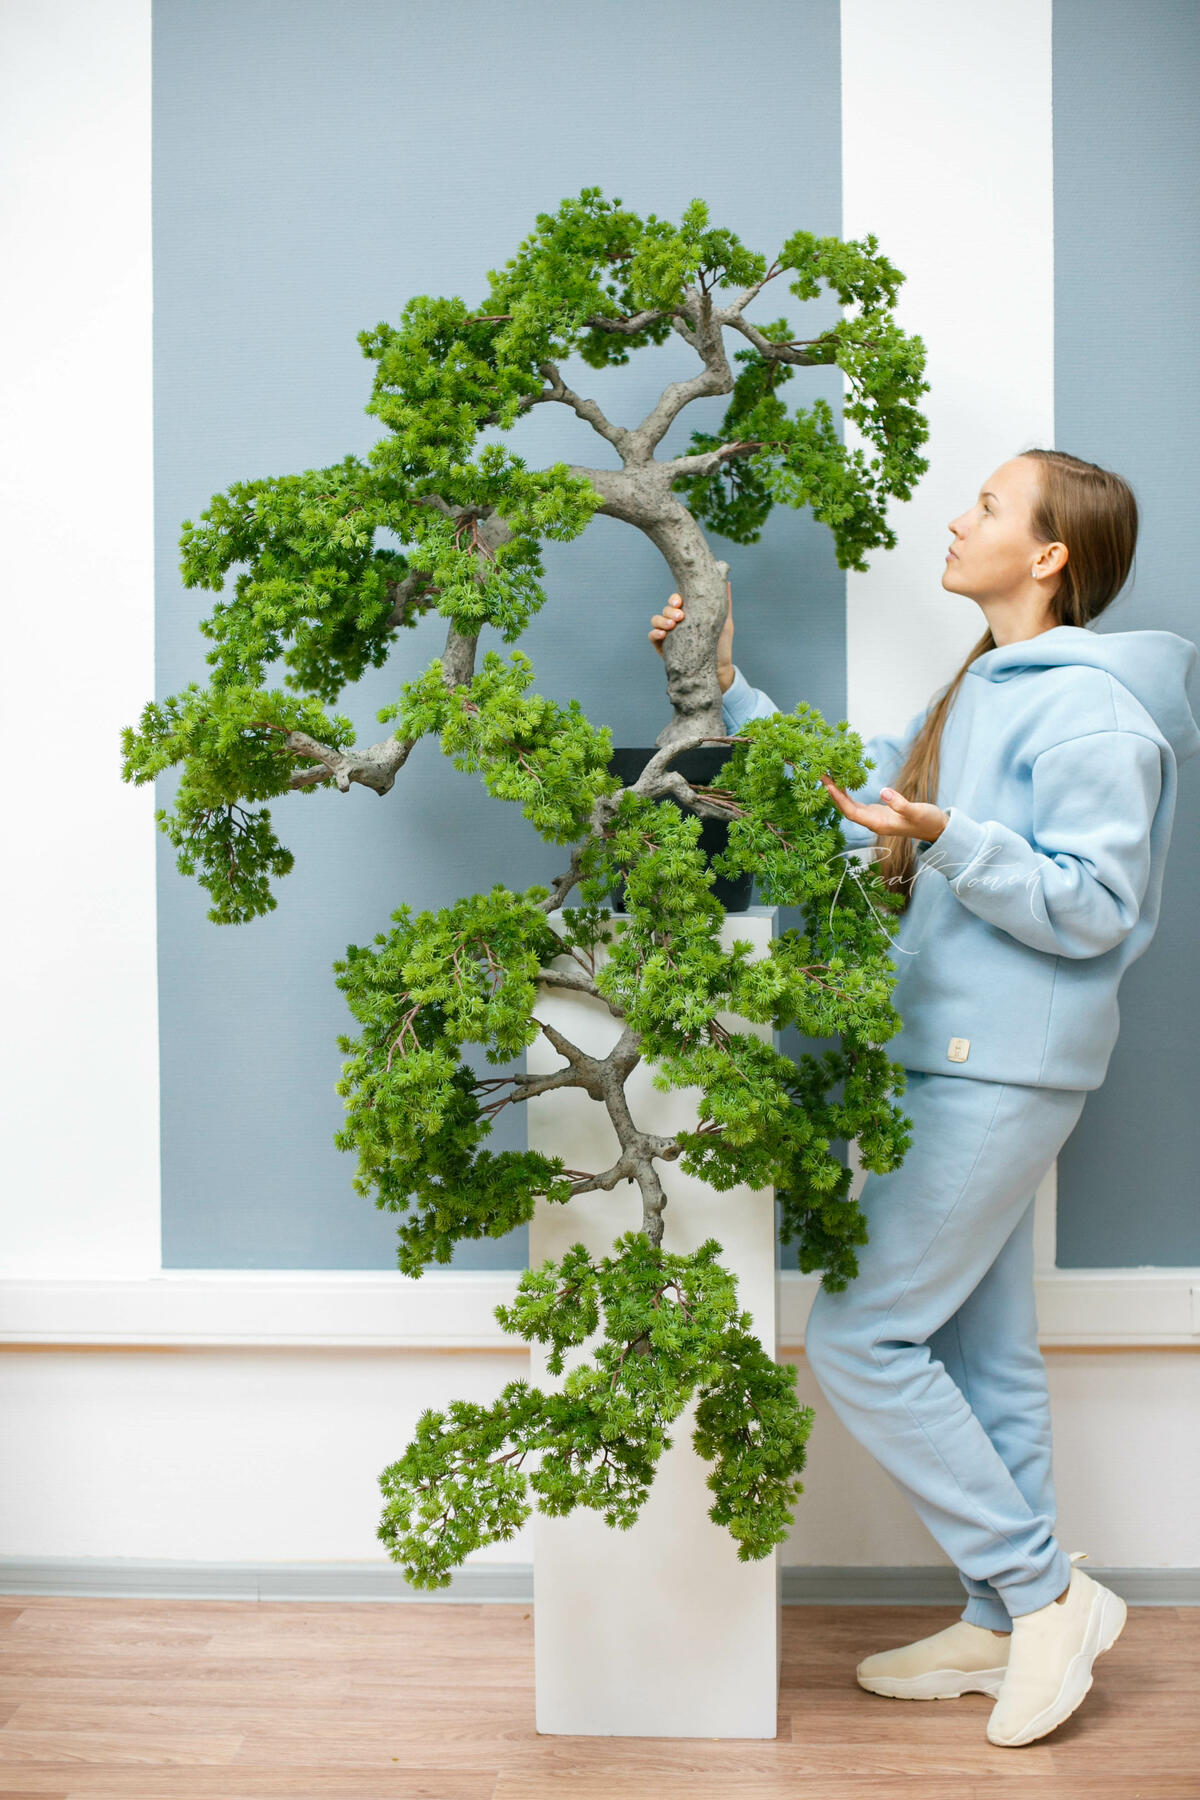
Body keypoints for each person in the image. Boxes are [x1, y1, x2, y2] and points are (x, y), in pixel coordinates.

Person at [648, 448, 1200, 1749]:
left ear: (1053, 552)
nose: (960, 518)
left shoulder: (1097, 715)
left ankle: (1047, 1592)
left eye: (991, 506)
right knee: (979, 1351)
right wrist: (729, 687)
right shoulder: (983, 683)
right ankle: (1000, 1621)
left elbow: (1100, 907)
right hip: (946, 1056)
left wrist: (955, 838)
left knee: (859, 1342)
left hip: (997, 1063)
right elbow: (863, 794)